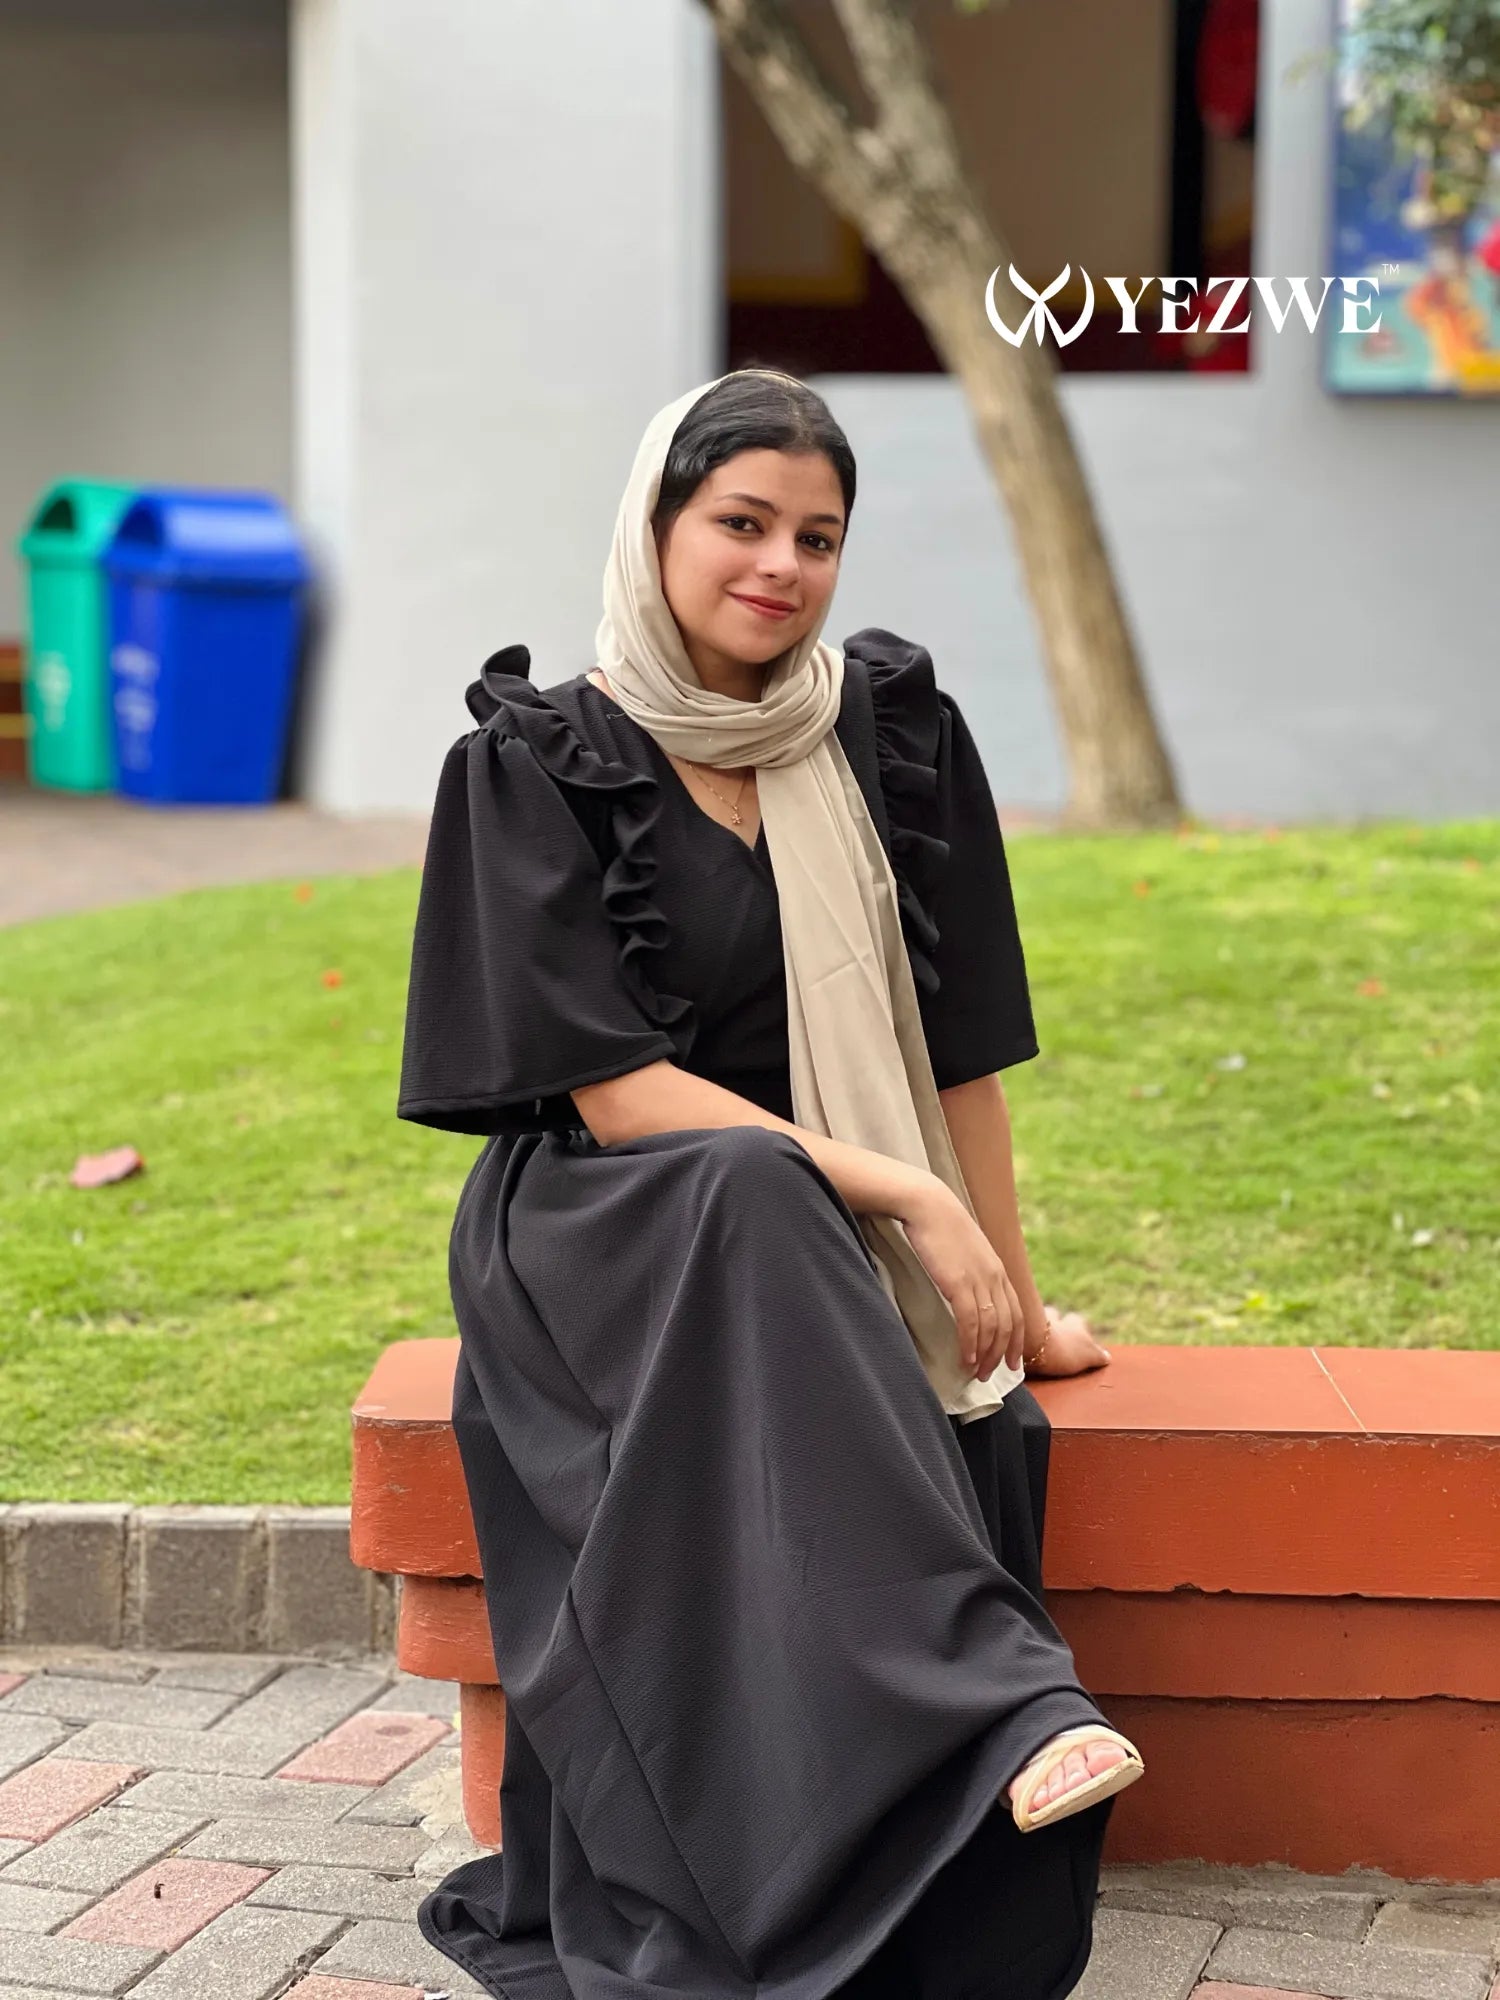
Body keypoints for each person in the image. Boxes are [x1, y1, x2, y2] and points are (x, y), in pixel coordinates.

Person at [396, 368, 1145, 2000]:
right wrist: (906, 1197)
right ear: (659, 527)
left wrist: (1002, 1290)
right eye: (741, 522)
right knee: (741, 1173)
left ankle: (914, 1855)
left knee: (838, 1269)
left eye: (818, 535)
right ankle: (1004, 1707)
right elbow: (613, 1090)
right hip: (604, 1226)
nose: (781, 565)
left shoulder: (890, 739)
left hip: (805, 1229)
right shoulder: (538, 759)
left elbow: (962, 1055)